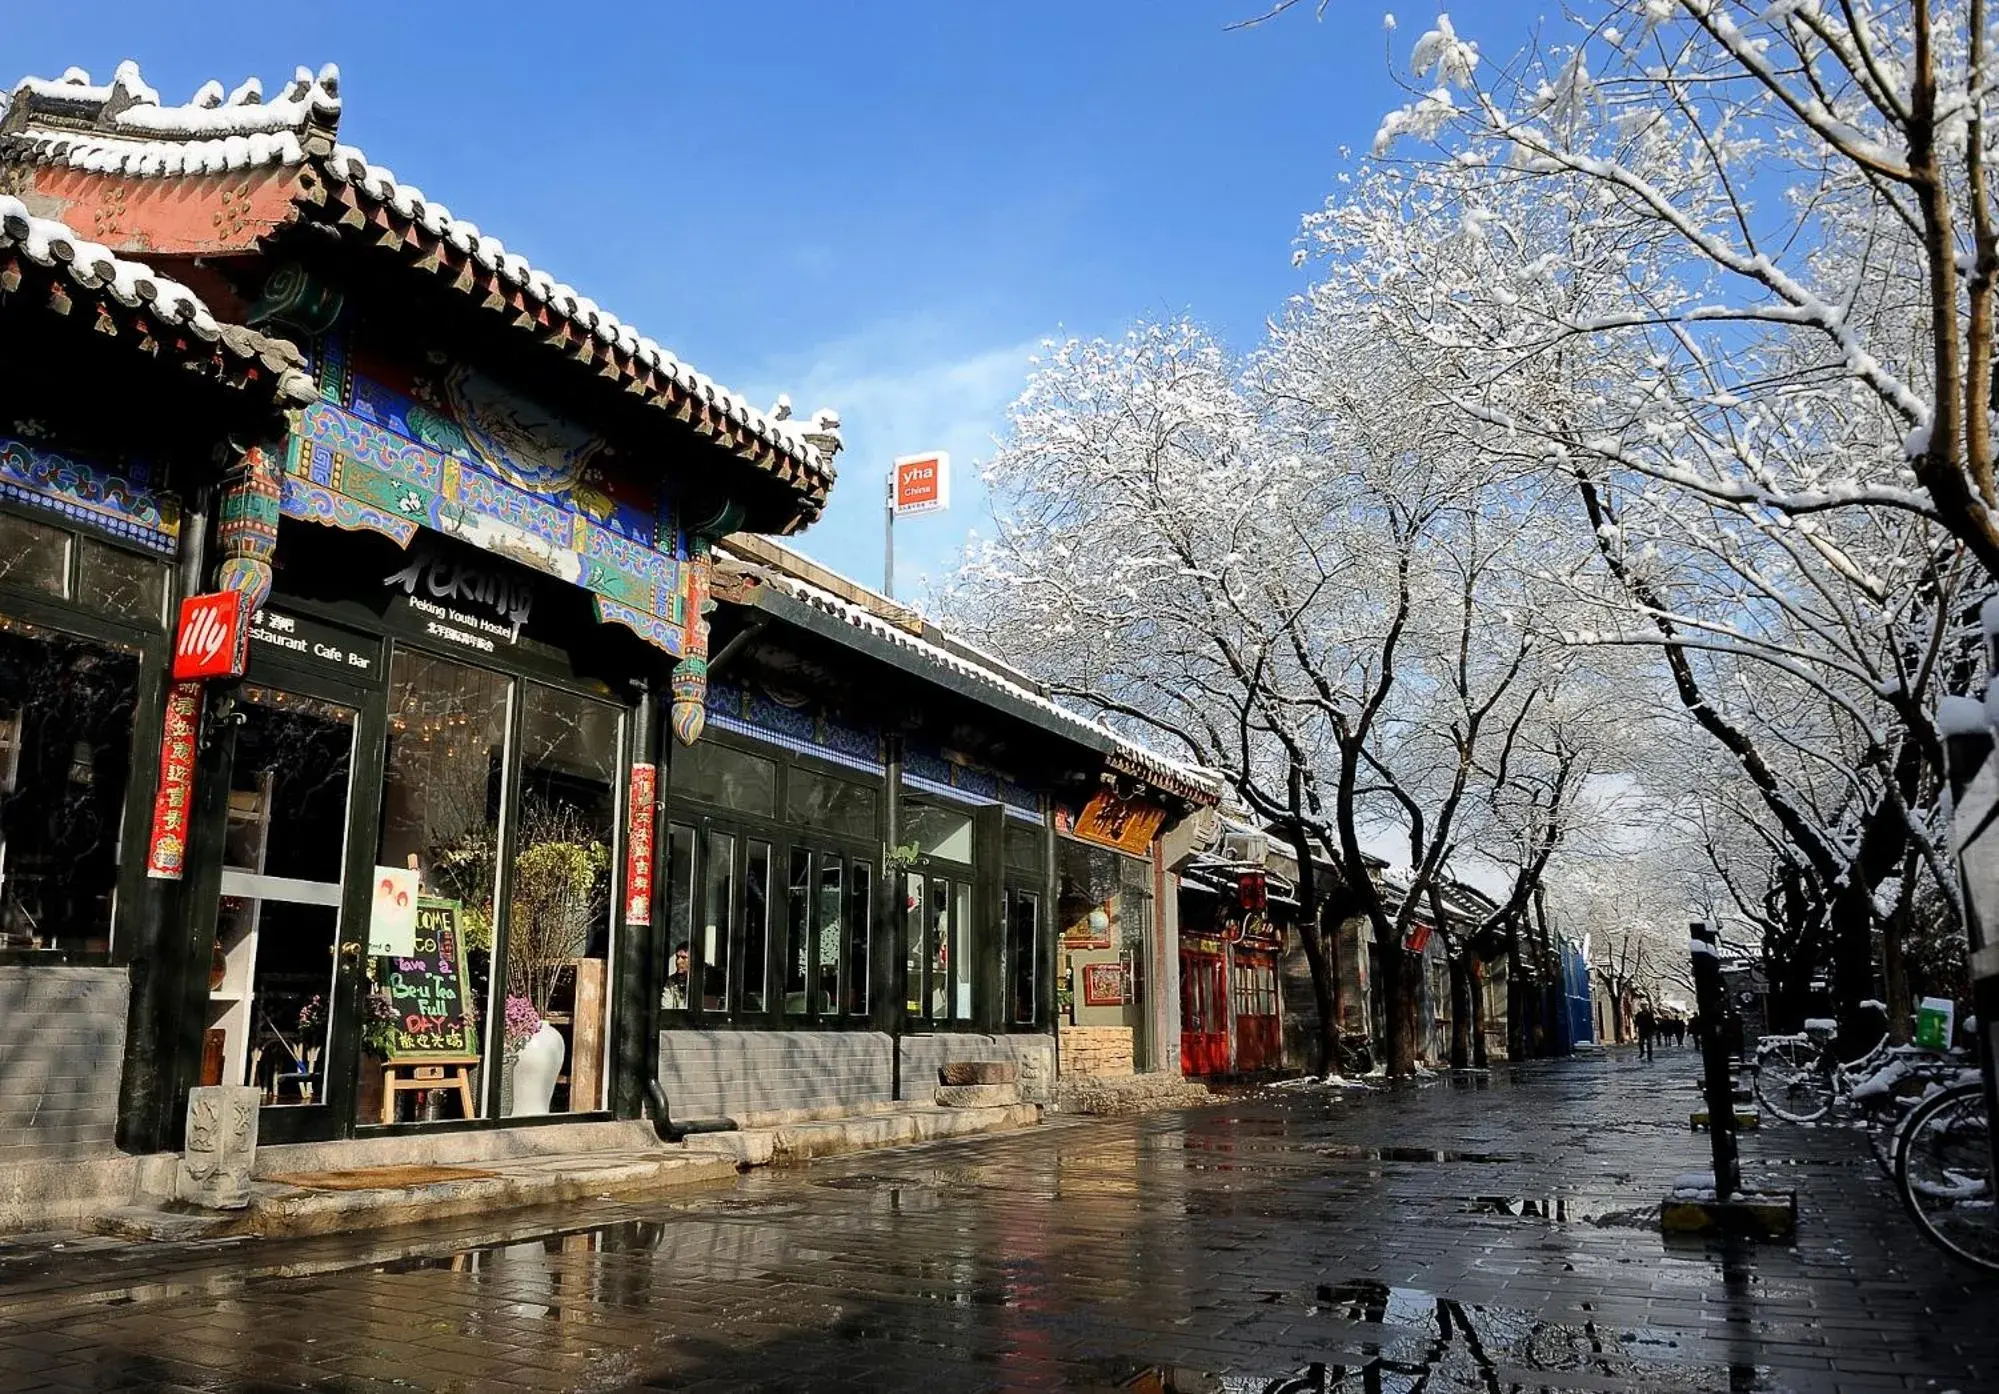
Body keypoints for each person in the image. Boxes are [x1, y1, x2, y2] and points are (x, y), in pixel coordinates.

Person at [662, 944, 691, 1010]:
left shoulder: (701, 981)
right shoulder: (672, 981)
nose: (678, 961)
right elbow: (666, 1008)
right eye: (677, 957)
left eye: (683, 957)